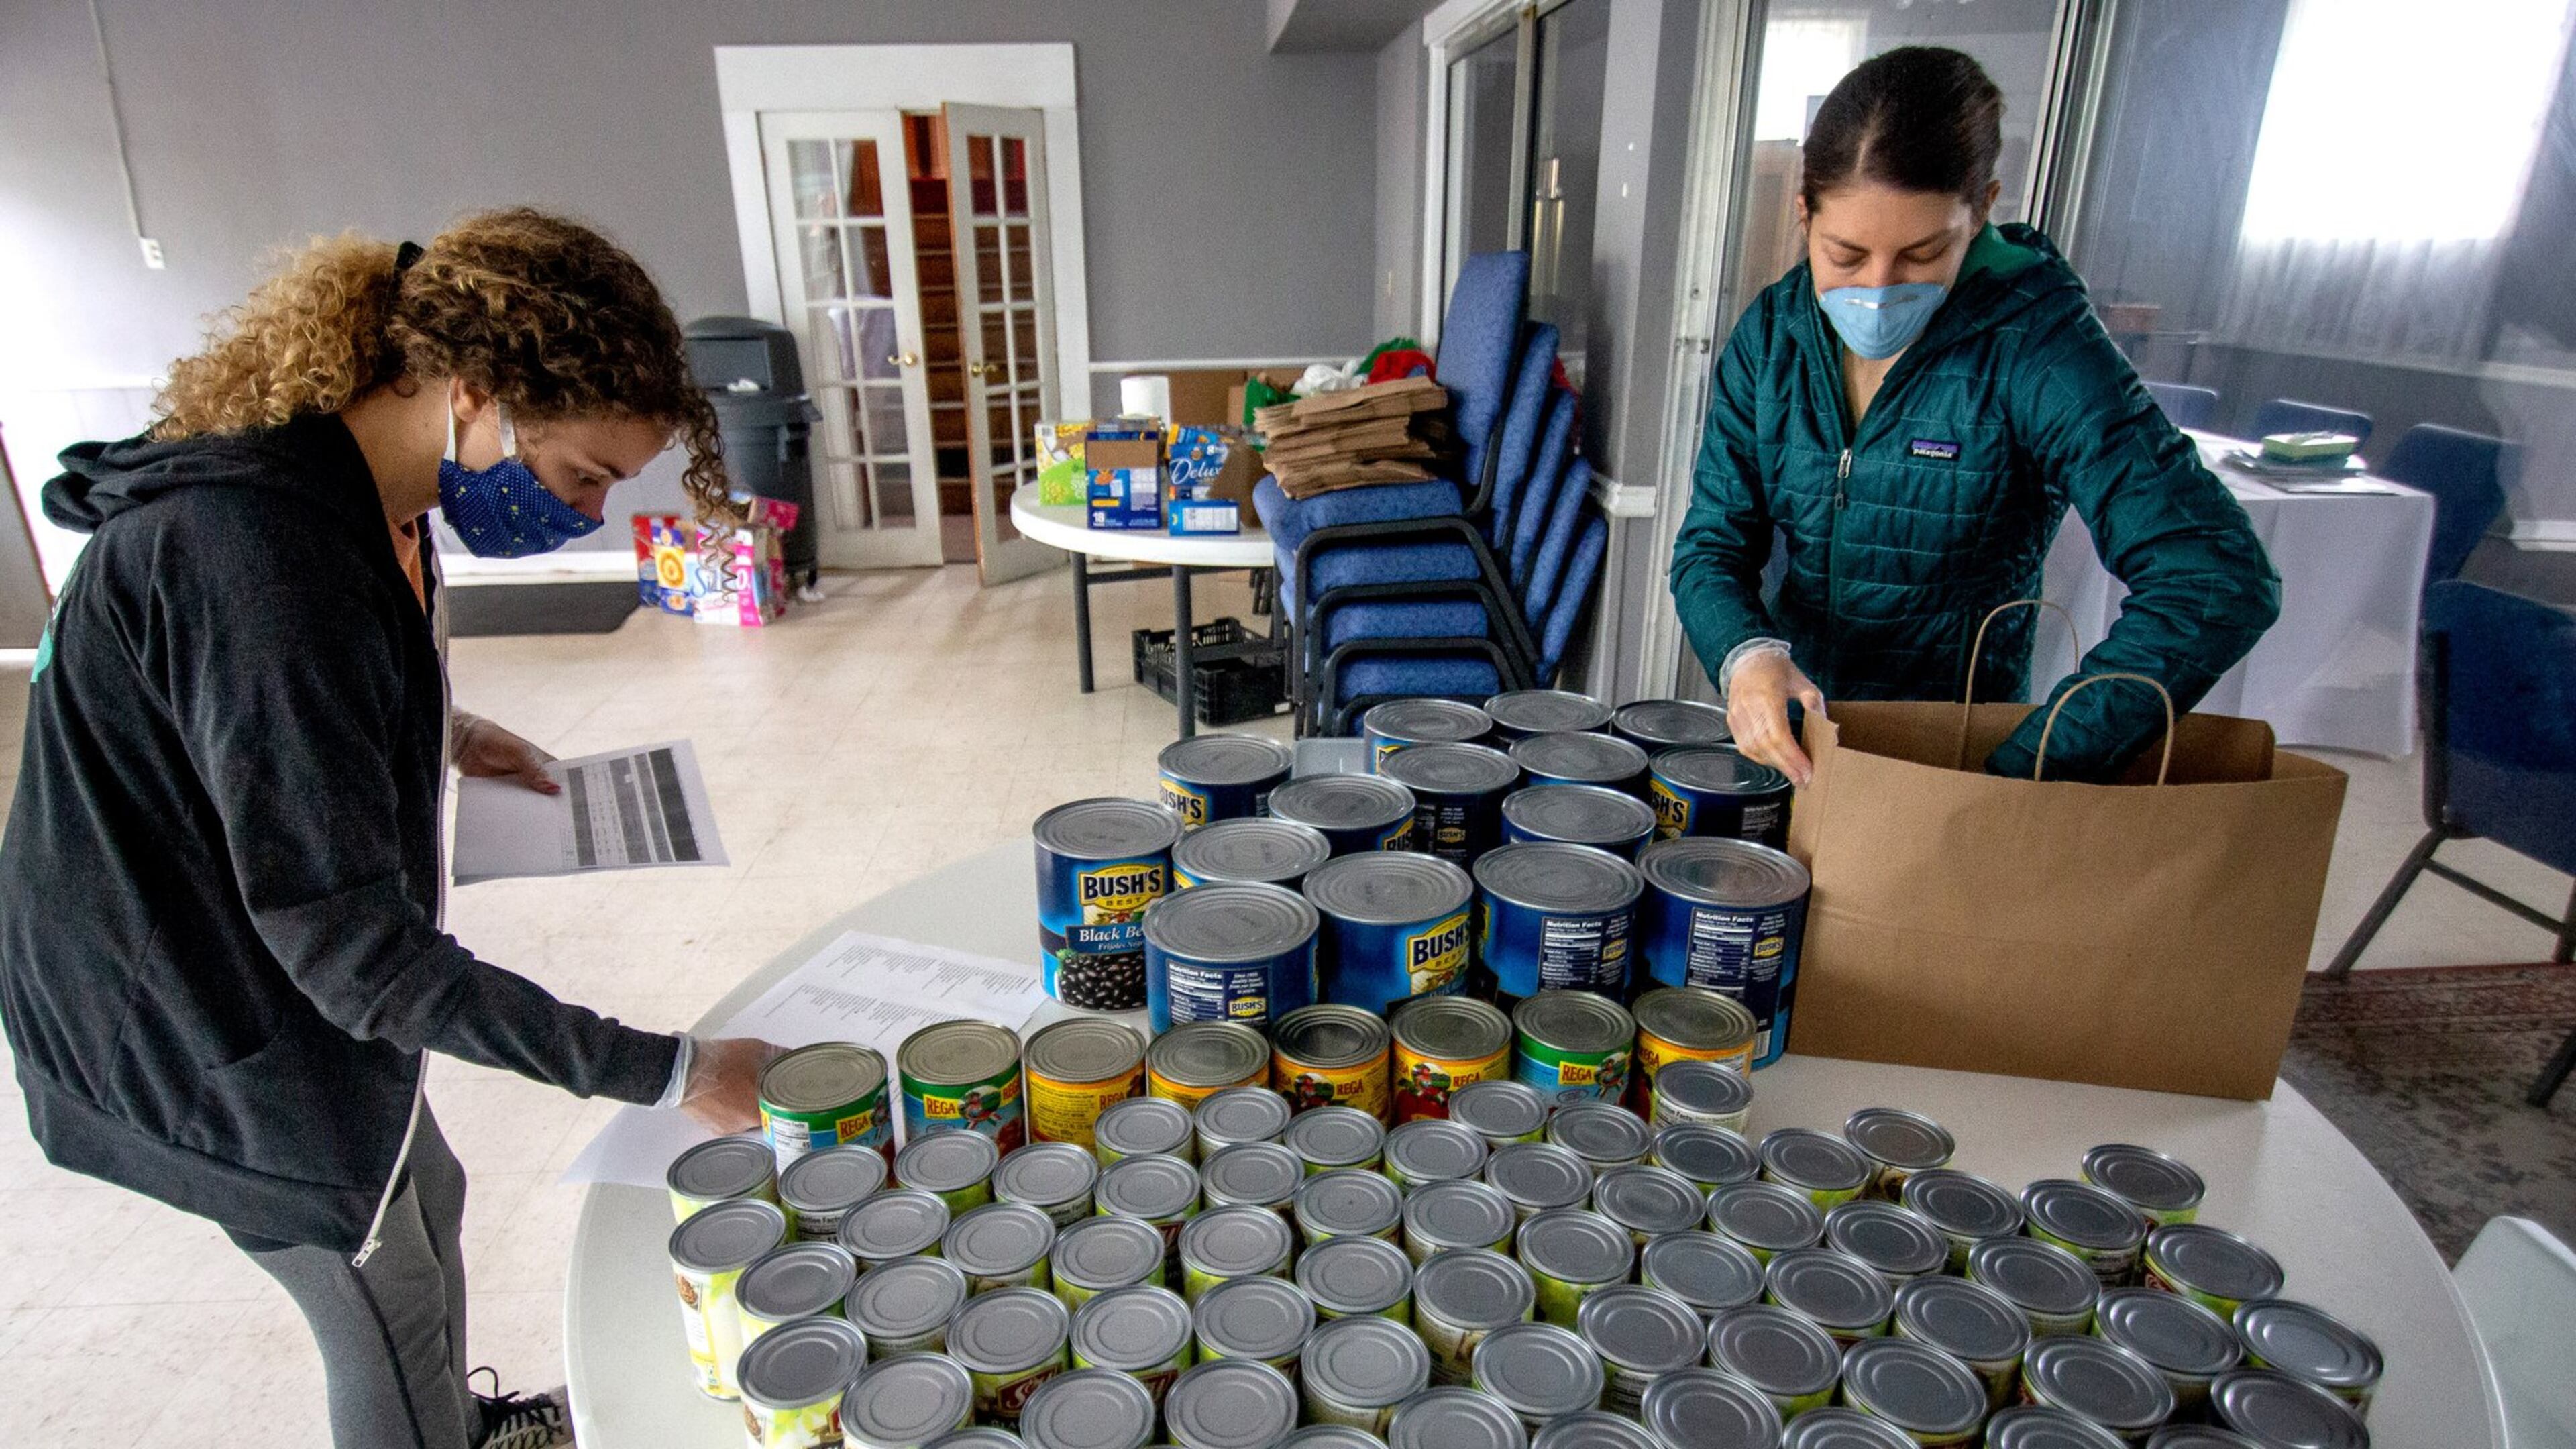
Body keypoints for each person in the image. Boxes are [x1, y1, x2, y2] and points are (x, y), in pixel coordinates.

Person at [0, 209, 782, 1449]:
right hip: (179, 1006)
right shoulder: (257, 556)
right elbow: (357, 954)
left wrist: (447, 728)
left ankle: (454, 1427)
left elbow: (278, 697)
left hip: (227, 945)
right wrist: (675, 1070)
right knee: (377, 1281)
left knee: (432, 1187)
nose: (582, 516)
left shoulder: (357, 478)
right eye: (580, 474)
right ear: (477, 394)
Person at [1669, 46, 2280, 784]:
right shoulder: (1774, 338)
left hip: (1956, 755)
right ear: (1805, 215)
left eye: (1924, 253)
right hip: (1799, 744)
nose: (1879, 287)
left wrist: (2030, 768)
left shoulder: (2038, 345)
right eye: (1846, 253)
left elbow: (2215, 577)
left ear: (1983, 210)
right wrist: (1746, 653)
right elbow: (1712, 546)